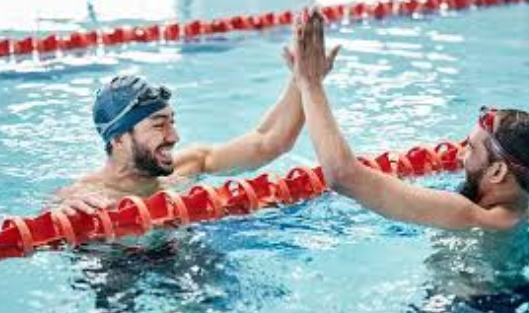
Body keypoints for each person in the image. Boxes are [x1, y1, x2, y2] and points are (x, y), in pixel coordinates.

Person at [288, 8, 529, 313]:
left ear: (496, 171)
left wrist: (310, 84)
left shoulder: (469, 215)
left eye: (471, 149)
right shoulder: (521, 210)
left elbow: (342, 175)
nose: (459, 155)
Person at [54, 46, 339, 215]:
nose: (174, 136)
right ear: (117, 138)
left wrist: (304, 80)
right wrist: (64, 211)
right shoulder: (88, 196)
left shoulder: (188, 165)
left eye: (172, 121)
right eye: (159, 125)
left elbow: (268, 142)